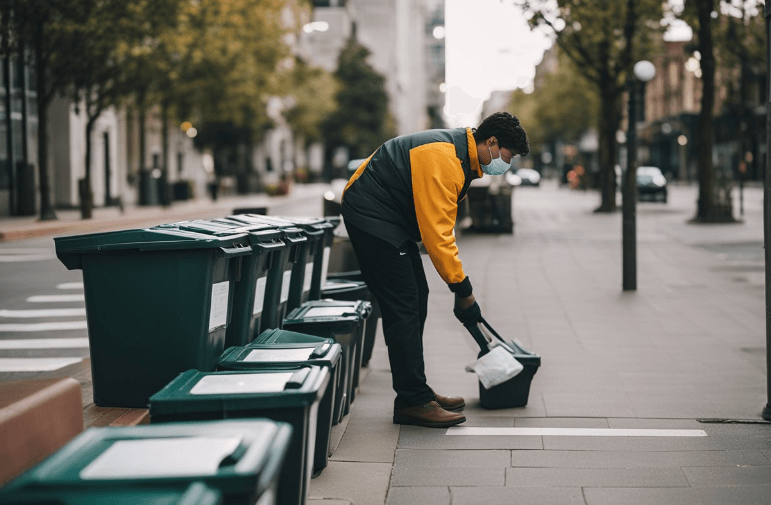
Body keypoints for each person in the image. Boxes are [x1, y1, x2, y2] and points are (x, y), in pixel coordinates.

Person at [340, 111, 530, 428]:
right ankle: (412, 401)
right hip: (371, 213)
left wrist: (459, 289)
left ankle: (416, 390)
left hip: (390, 217)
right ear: (491, 142)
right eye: (506, 157)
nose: (505, 165)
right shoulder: (445, 158)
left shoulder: (462, 157)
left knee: (417, 296)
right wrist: (462, 289)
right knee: (404, 304)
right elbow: (439, 236)